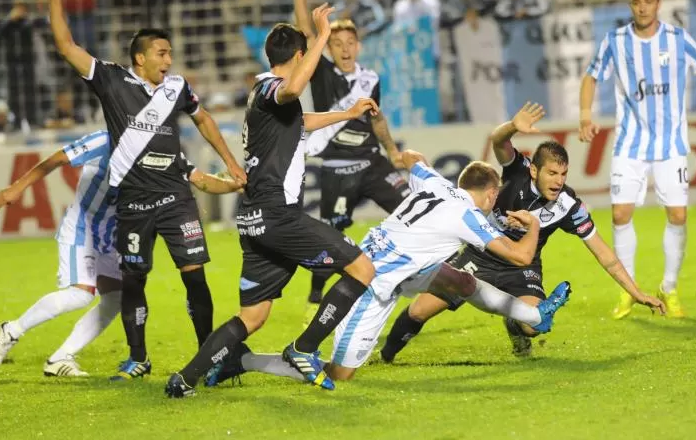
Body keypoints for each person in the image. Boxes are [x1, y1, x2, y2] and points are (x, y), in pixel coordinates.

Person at [164, 7, 398, 398]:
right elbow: (291, 91)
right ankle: (304, 348)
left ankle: (185, 379)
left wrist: (347, 112)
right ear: (297, 58)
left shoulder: (264, 96)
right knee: (362, 269)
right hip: (278, 216)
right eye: (305, 57)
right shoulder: (275, 88)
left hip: (255, 219)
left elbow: (302, 121)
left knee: (253, 316)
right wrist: (321, 36)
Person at [42, 0, 247, 380]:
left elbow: (204, 119)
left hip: (176, 199)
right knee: (133, 281)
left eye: (170, 52)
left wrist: (230, 163)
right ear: (141, 58)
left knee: (195, 277)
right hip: (134, 202)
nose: (169, 59)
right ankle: (138, 358)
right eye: (162, 52)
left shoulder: (177, 88)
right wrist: (57, 2)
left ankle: (207, 357)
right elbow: (67, 47)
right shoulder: (112, 80)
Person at [205, 159, 574, 388]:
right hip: (371, 286)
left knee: (461, 280)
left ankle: (534, 316)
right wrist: (533, 226)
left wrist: (386, 136)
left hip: (396, 266)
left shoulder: (435, 183)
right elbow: (522, 257)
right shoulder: (468, 216)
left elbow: (410, 159)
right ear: (492, 193)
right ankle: (242, 360)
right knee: (339, 373)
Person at [381, 103, 666, 363]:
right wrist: (513, 126)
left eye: (563, 174)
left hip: (523, 267)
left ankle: (515, 326)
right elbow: (498, 140)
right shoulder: (516, 171)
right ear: (533, 170)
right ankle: (385, 357)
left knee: (532, 325)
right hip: (480, 257)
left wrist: (636, 292)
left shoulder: (569, 206)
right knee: (419, 311)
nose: (558, 181)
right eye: (552, 173)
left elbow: (604, 254)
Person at [0, 131, 242, 377]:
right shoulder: (104, 139)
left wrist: (235, 185)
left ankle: (61, 358)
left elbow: (198, 178)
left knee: (118, 298)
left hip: (111, 236)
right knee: (80, 294)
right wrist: (16, 189)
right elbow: (57, 158)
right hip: (82, 228)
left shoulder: (159, 145)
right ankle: (11, 330)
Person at [578, 0, 696, 319]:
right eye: (636, 2)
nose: (642, 8)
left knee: (677, 215)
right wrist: (585, 116)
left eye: (648, 1)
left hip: (671, 145)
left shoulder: (677, 39)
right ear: (630, 4)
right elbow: (591, 76)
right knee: (620, 214)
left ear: (658, 2)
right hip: (630, 144)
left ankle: (669, 286)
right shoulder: (616, 41)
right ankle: (628, 289)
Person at [283, 0, 410, 311]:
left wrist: (392, 152)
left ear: (358, 45)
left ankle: (410, 273)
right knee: (333, 230)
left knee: (407, 210)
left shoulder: (371, 79)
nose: (344, 48)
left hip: (372, 162)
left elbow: (377, 119)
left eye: (349, 42)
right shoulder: (323, 73)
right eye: (337, 43)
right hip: (337, 165)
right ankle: (317, 290)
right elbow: (306, 34)